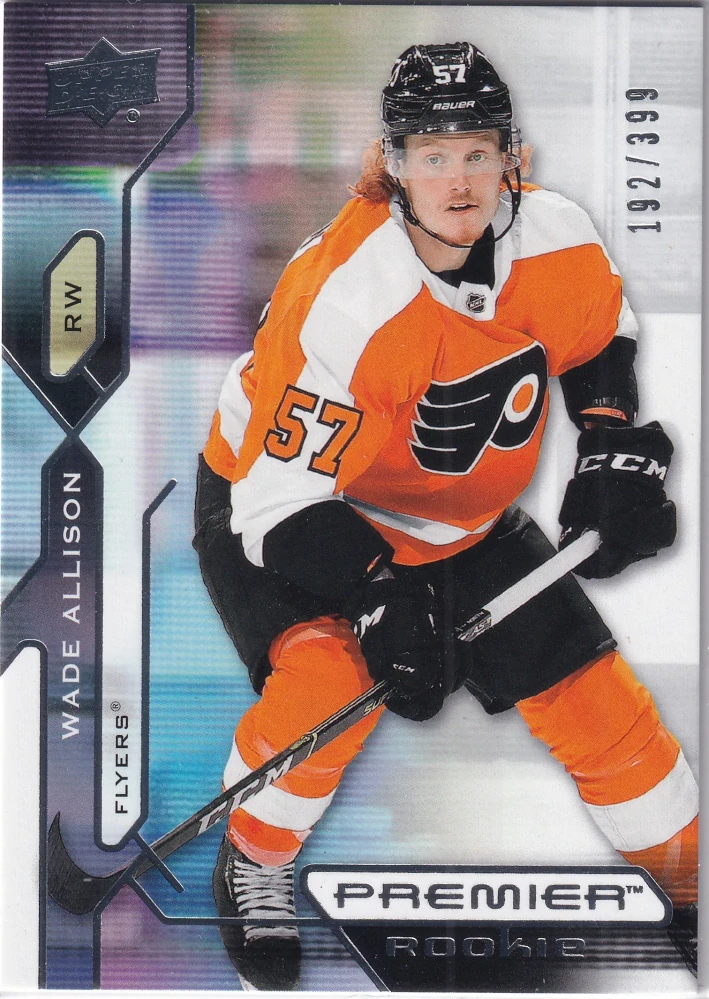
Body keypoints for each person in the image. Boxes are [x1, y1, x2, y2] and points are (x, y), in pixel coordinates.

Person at [194, 43, 697, 990]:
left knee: (601, 709)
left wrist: (607, 445)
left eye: (475, 151)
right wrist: (378, 593)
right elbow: (275, 499)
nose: (457, 179)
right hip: (293, 508)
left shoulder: (554, 235)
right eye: (431, 155)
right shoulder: (345, 299)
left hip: (458, 518)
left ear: (511, 156)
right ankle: (255, 854)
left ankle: (690, 880)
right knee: (328, 691)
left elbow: (598, 336)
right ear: (392, 166)